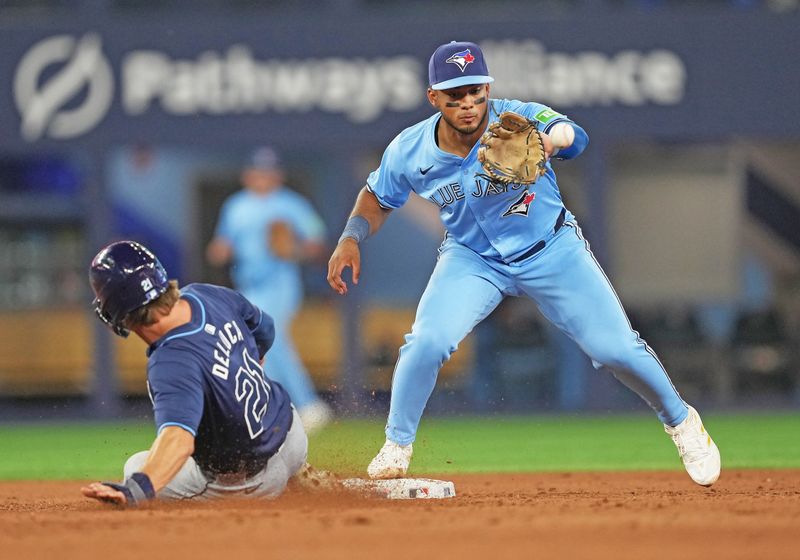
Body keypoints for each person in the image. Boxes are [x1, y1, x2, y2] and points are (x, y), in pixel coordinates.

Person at [327, 41, 721, 486]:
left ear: (488, 88)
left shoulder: (517, 117)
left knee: (614, 349)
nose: (469, 103)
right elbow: (377, 198)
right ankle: (397, 445)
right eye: (455, 95)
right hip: (472, 258)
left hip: (551, 248)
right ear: (434, 98)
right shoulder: (410, 150)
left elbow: (575, 136)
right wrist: (350, 237)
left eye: (476, 91)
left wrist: (551, 141)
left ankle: (681, 421)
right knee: (427, 341)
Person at [81, 240, 308, 505]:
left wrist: (135, 490)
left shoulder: (171, 360)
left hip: (252, 483)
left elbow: (179, 440)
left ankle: (275, 485)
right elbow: (265, 327)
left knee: (137, 465)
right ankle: (298, 477)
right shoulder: (205, 294)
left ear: (117, 309)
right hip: (292, 434)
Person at [207, 147, 333, 433]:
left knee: (271, 340)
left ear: (277, 175)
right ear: (247, 175)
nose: (263, 176)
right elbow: (222, 244)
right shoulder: (235, 206)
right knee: (257, 345)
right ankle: (280, 406)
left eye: (268, 171)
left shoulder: (291, 204)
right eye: (258, 171)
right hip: (248, 285)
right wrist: (219, 251)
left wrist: (295, 249)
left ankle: (305, 403)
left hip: (280, 283)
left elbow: (317, 242)